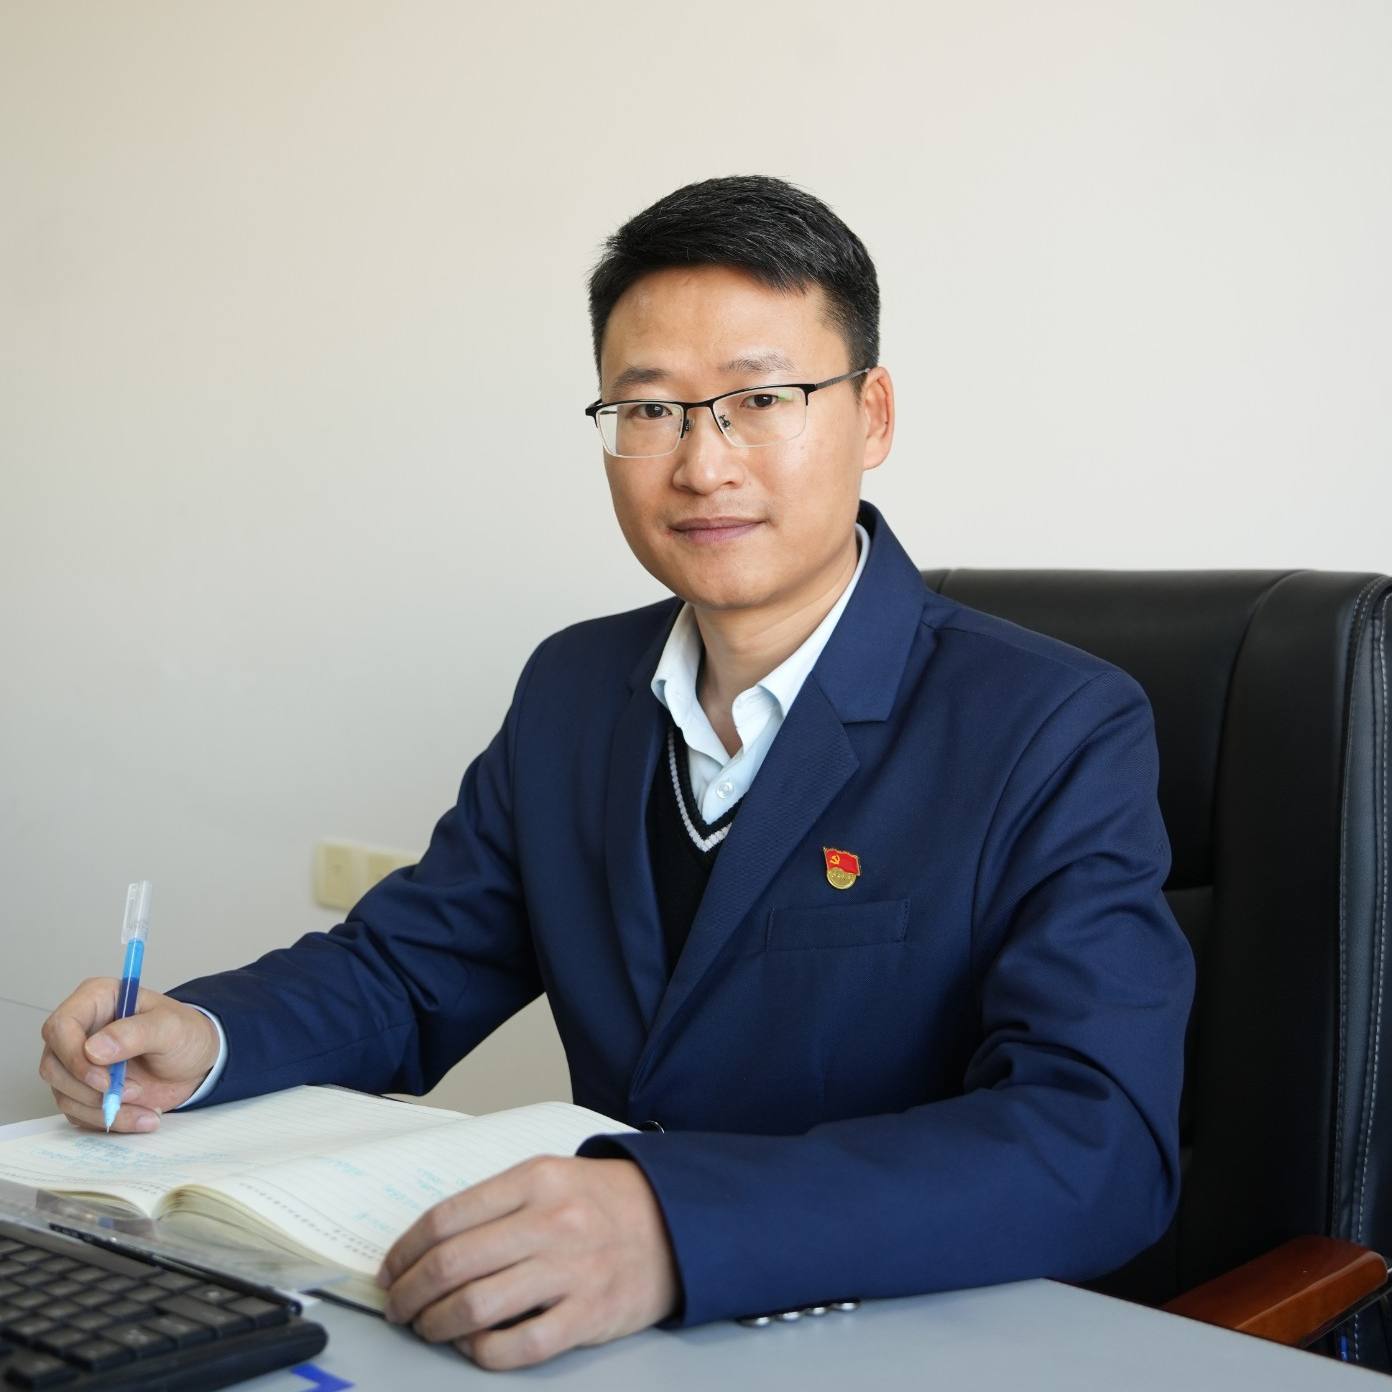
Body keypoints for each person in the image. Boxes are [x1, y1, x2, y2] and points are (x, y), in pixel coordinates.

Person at [38, 175, 1195, 1371]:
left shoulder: (1053, 725)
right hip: (595, 1344)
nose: (701, 465)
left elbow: (1095, 1142)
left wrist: (672, 1225)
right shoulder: (575, 689)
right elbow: (408, 970)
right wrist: (207, 1035)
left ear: (874, 415)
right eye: (649, 411)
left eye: (761, 399)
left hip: (904, 1342)